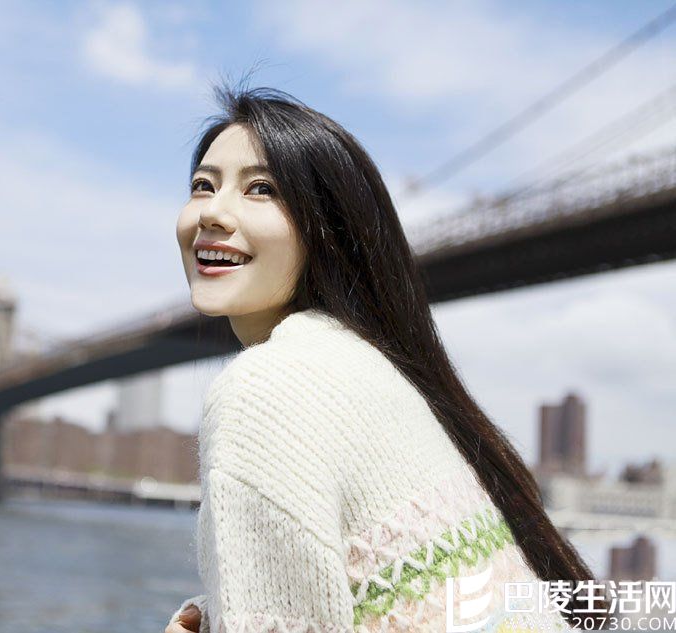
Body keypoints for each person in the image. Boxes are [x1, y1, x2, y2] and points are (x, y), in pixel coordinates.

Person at [165, 79, 604, 633]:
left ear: (328, 232)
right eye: (203, 186)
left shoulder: (265, 389)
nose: (212, 212)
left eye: (261, 190)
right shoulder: (375, 370)